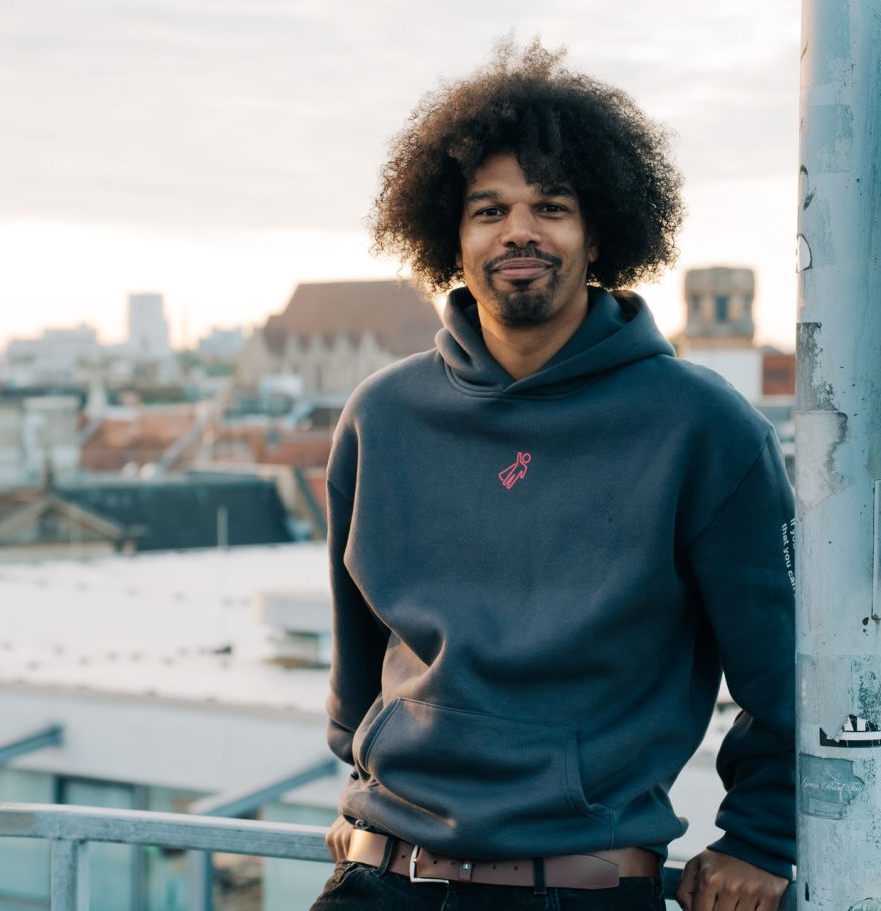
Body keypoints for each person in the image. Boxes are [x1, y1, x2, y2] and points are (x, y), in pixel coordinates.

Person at [313, 41, 796, 911]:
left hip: (577, 889)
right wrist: (368, 782)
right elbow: (358, 649)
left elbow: (784, 671)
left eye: (552, 206)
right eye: (488, 209)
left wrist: (760, 839)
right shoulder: (379, 415)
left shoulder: (703, 426)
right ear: (450, 235)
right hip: (383, 879)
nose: (519, 231)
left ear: (599, 230)